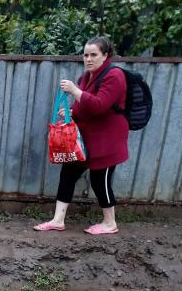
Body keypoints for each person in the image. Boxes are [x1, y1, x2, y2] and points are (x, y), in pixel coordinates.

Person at [34, 36, 128, 235]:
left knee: (99, 181)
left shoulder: (115, 76)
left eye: (94, 54)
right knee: (68, 174)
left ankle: (110, 222)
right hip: (83, 140)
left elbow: (99, 105)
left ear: (106, 55)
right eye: (85, 55)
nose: (88, 59)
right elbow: (83, 106)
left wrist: (75, 90)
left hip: (106, 143)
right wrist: (70, 112)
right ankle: (58, 220)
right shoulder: (87, 77)